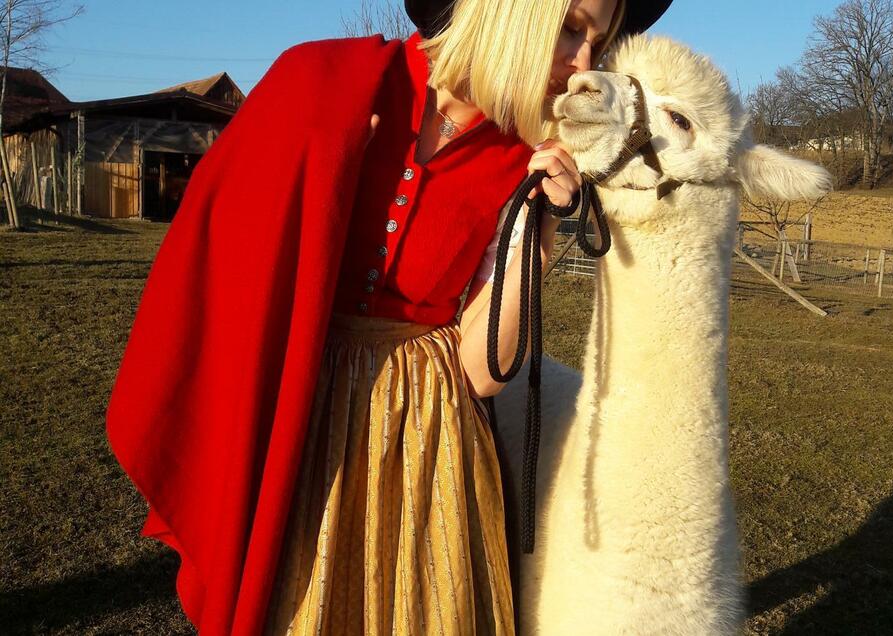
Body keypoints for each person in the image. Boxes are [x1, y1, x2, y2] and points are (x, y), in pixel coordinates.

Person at [105, 1, 672, 634]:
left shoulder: (527, 156)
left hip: (427, 429)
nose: (583, 63)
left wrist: (536, 226)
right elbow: (213, 261)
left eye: (598, 40)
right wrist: (325, 168)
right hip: (293, 400)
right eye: (571, 27)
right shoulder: (319, 82)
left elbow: (483, 374)